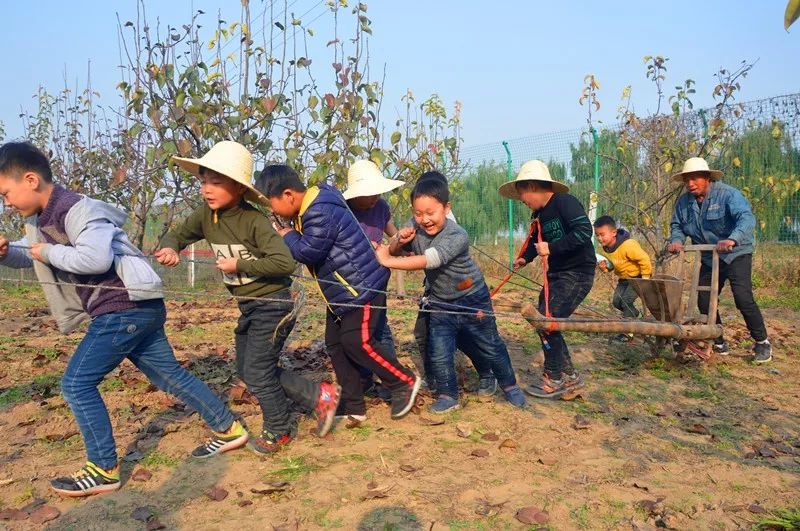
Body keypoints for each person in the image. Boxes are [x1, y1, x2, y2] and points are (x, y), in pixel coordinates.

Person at [0, 141, 248, 497]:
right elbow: (38, 259)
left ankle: (103, 468)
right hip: (134, 307)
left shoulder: (77, 209)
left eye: (6, 193)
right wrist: (9, 255)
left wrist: (49, 250)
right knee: (168, 375)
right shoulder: (40, 221)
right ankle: (228, 428)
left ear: (30, 179)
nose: (6, 203)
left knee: (76, 384)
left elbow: (96, 259)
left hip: (123, 307)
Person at [155, 141, 341, 455]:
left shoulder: (253, 221)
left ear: (239, 188)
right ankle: (319, 396)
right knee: (248, 368)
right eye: (203, 182)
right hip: (250, 305)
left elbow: (285, 262)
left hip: (274, 302)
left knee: (257, 370)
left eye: (216, 182)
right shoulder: (205, 217)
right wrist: (171, 247)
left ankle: (279, 430)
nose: (207, 190)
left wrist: (238, 264)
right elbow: (178, 233)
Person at [256, 164, 421, 422]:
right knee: (336, 345)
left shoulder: (319, 210)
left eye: (272, 204)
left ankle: (403, 381)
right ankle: (353, 404)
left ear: (288, 195)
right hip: (342, 293)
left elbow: (307, 252)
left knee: (358, 342)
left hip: (361, 288)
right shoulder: (313, 205)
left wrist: (287, 235)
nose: (272, 211)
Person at [376, 172, 526, 413]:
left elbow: (430, 260)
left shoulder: (457, 235)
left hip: (472, 298)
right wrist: (398, 240)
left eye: (430, 213)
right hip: (440, 302)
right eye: (418, 213)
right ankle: (448, 395)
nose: (424, 219)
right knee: (440, 350)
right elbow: (399, 250)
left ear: (446, 208)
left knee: (490, 344)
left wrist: (387, 260)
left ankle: (510, 386)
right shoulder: (416, 227)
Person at [500, 160, 595, 399]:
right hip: (556, 276)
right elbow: (536, 242)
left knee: (546, 322)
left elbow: (584, 232)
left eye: (523, 195)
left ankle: (554, 377)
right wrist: (525, 258)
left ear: (532, 186)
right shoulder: (540, 215)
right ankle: (569, 377)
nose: (523, 201)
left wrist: (552, 248)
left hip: (577, 273)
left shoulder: (564, 202)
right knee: (543, 322)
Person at [667, 157, 771, 363]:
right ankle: (718, 340)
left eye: (695, 179)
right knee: (704, 300)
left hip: (736, 252)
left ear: (707, 178)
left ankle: (762, 342)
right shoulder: (683, 203)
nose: (690, 184)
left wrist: (732, 238)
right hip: (708, 256)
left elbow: (746, 218)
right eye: (687, 180)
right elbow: (677, 225)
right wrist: (676, 241)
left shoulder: (728, 195)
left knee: (742, 297)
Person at [342, 159, 403, 398]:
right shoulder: (343, 210)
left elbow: (392, 233)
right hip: (349, 281)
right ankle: (363, 379)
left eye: (377, 191)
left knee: (379, 329)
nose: (374, 197)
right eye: (369, 193)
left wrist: (401, 241)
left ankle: (393, 382)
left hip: (376, 278)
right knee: (354, 334)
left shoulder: (381, 207)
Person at [594, 215, 652, 342]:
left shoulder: (628, 245)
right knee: (616, 302)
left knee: (626, 301)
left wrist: (645, 279)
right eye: (597, 235)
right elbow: (611, 266)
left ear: (614, 233)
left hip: (638, 277)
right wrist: (604, 267)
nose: (599, 238)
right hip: (624, 279)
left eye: (602, 234)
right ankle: (633, 314)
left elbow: (645, 260)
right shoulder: (606, 249)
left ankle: (627, 333)